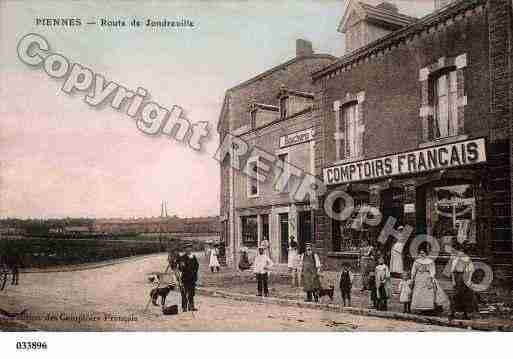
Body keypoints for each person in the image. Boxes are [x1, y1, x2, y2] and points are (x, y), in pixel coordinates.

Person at [449, 246, 478, 320]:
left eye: (461, 251)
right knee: (455, 295)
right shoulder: (455, 259)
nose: (460, 253)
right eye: (458, 251)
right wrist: (453, 280)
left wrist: (469, 280)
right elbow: (452, 271)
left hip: (465, 276)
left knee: (466, 295)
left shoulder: (467, 259)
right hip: (457, 277)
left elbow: (471, 270)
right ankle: (452, 312)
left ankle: (466, 313)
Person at [410, 249, 436, 313]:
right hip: (418, 277)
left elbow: (433, 270)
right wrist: (412, 278)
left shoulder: (430, 261)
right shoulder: (417, 261)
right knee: (418, 291)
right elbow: (413, 270)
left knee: (426, 293)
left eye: (423, 253)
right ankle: (418, 308)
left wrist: (431, 277)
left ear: (426, 254)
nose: (422, 254)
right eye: (420, 253)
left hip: (426, 276)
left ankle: (427, 309)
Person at [176, 244, 199, 312]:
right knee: (184, 293)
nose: (188, 249)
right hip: (185, 278)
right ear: (185, 250)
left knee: (191, 293)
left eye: (190, 248)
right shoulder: (182, 257)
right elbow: (180, 268)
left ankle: (191, 307)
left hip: (192, 278)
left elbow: (197, 265)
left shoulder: (193, 256)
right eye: (187, 248)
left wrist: (194, 272)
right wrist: (182, 265)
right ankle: (184, 307)